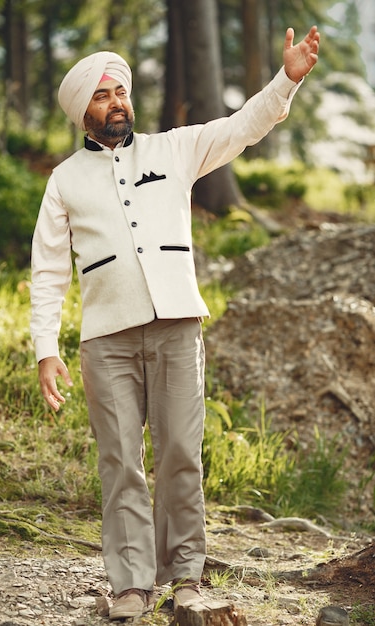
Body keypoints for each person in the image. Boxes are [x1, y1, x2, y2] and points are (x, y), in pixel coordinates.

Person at [30, 25, 320, 620]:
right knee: (121, 464)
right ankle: (131, 585)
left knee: (182, 453)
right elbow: (48, 272)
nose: (117, 103)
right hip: (104, 341)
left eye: (121, 92)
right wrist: (45, 347)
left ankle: (186, 575)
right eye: (103, 95)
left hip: (178, 326)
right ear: (83, 109)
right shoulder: (63, 181)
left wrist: (285, 80)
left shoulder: (173, 149)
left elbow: (241, 127)